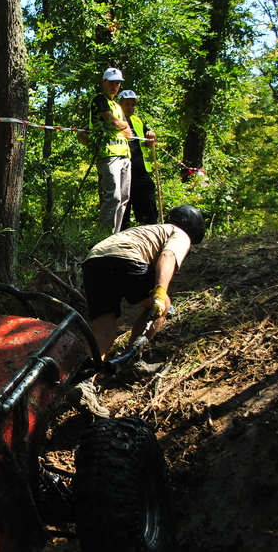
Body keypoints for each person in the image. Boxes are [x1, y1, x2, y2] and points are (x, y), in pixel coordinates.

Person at [81, 204, 205, 361]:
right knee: (164, 304)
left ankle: (86, 374)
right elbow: (168, 256)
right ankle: (131, 361)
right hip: (125, 257)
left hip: (92, 262)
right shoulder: (181, 234)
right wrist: (160, 293)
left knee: (104, 333)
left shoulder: (149, 230)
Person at [80, 67, 132, 235]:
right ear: (104, 82)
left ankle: (114, 236)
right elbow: (112, 122)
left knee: (123, 198)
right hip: (108, 154)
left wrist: (121, 125)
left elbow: (129, 133)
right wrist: (120, 125)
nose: (115, 86)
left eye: (118, 83)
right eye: (112, 82)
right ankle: (102, 236)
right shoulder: (99, 99)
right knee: (113, 197)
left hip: (124, 155)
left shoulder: (117, 106)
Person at [117, 90, 159, 230]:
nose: (131, 107)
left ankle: (152, 237)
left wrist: (151, 137)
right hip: (121, 173)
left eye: (133, 104)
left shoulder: (137, 121)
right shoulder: (112, 120)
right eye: (127, 104)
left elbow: (149, 143)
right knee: (123, 215)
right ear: (119, 104)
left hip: (141, 174)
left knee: (149, 213)